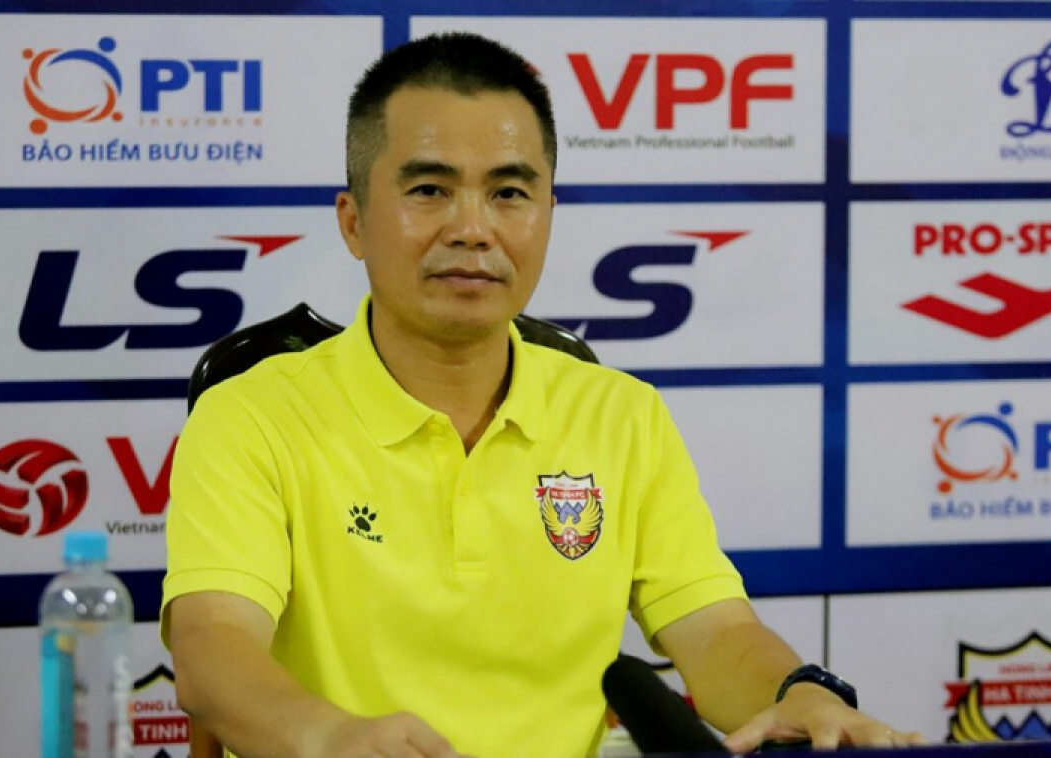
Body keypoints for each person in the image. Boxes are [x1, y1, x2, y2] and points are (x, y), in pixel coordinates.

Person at [162, 31, 925, 758]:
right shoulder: (253, 416)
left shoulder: (620, 414)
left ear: (549, 214)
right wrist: (324, 737)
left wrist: (799, 694)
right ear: (354, 221)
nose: (472, 229)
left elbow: (716, 630)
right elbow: (211, 646)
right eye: (429, 189)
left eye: (508, 192)